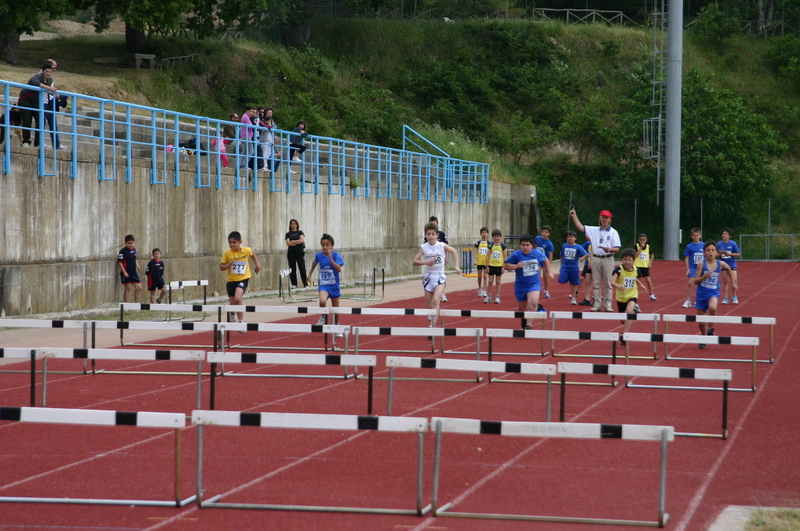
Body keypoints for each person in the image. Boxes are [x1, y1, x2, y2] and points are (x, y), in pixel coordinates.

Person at [570, 208, 621, 312]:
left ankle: (608, 305)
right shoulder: (593, 230)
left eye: (606, 218)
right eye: (602, 217)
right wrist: (574, 215)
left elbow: (617, 248)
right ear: (599, 218)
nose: (604, 220)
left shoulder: (613, 232)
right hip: (596, 258)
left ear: (610, 219)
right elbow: (580, 227)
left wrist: (609, 249)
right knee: (596, 283)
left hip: (608, 258)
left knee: (608, 283)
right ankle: (597, 304)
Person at [413, 222, 461, 328]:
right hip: (428, 277)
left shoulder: (441, 245)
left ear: (437, 235)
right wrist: (426, 262)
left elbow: (454, 251)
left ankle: (433, 326)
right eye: (428, 234)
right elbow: (415, 262)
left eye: (432, 234)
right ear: (425, 235)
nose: (430, 236)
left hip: (439, 276)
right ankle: (431, 315)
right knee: (428, 303)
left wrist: (457, 266)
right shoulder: (424, 247)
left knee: (436, 300)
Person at [694, 240, 736, 349]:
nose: (710, 253)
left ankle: (710, 329)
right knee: (701, 322)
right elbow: (695, 281)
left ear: (717, 252)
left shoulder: (720, 263)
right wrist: (704, 277)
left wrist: (734, 283)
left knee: (713, 307)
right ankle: (703, 338)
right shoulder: (701, 264)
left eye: (712, 250)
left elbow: (728, 268)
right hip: (701, 293)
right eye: (708, 250)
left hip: (713, 291)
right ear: (704, 253)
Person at [505, 234, 552, 330]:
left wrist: (549, 272)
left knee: (533, 302)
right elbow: (506, 266)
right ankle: (524, 320)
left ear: (532, 245)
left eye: (527, 245)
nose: (525, 247)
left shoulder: (537, 253)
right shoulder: (516, 254)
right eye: (523, 245)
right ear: (520, 245)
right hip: (520, 285)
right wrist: (516, 266)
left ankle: (529, 326)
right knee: (522, 310)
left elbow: (546, 260)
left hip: (533, 284)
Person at [219, 231, 261, 331]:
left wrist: (257, 265)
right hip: (231, 280)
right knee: (232, 302)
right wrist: (228, 265)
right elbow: (221, 267)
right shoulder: (227, 253)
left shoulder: (246, 250)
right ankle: (232, 313)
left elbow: (252, 253)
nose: (232, 244)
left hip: (243, 278)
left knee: (238, 298)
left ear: (240, 242)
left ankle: (241, 322)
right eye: (230, 242)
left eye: (234, 242)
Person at [309, 233, 345, 336]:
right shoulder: (319, 255)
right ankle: (323, 317)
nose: (325, 247)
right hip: (323, 285)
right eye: (323, 245)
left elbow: (338, 269)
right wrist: (310, 273)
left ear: (332, 245)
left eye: (327, 245)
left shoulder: (335, 255)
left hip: (334, 286)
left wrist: (330, 259)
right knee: (322, 301)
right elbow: (314, 263)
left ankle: (336, 326)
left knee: (335, 309)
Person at [17, 62, 59, 149]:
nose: (48, 74)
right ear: (42, 71)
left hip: (37, 102)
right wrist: (50, 88)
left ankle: (38, 143)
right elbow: (36, 83)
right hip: (26, 100)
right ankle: (26, 141)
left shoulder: (50, 80)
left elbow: (47, 91)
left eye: (50, 72)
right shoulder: (37, 77)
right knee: (27, 120)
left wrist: (55, 93)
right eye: (47, 71)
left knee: (40, 121)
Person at [611, 248, 645, 346]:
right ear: (622, 260)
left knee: (628, 312)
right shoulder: (618, 270)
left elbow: (634, 278)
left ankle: (625, 336)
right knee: (623, 320)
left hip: (632, 295)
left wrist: (641, 285)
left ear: (633, 261)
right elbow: (612, 281)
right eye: (625, 260)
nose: (627, 262)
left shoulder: (636, 270)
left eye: (629, 260)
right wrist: (619, 286)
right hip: (621, 297)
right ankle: (636, 310)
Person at [558, 230, 588, 305]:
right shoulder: (564, 246)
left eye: (572, 237)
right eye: (568, 237)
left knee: (574, 283)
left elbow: (586, 254)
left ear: (575, 238)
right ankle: (567, 277)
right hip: (565, 267)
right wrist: (561, 266)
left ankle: (573, 298)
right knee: (561, 280)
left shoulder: (578, 247)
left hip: (574, 267)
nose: (570, 239)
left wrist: (582, 258)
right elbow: (562, 255)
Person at [426, 216, 450, 302]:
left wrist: (446, 256)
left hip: (440, 259)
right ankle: (432, 292)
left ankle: (442, 293)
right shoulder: (428, 236)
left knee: (441, 276)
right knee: (432, 277)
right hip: (431, 261)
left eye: (435, 224)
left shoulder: (442, 234)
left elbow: (447, 246)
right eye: (431, 224)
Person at [682, 228, 704, 308]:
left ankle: (698, 300)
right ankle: (688, 300)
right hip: (693, 268)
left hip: (702, 268)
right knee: (690, 283)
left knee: (701, 285)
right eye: (694, 236)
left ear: (700, 236)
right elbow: (687, 258)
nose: (695, 237)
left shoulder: (704, 245)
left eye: (697, 235)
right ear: (691, 236)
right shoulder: (689, 246)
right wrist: (688, 268)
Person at [717, 227, 740, 304]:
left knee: (734, 280)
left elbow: (738, 254)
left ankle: (734, 295)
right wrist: (720, 253)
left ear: (729, 236)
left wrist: (730, 254)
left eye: (726, 234)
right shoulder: (719, 244)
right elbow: (716, 254)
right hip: (723, 264)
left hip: (731, 264)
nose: (724, 235)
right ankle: (725, 297)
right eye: (723, 233)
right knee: (725, 281)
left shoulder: (733, 243)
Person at [485, 229, 509, 304]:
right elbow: (488, 256)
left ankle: (497, 297)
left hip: (499, 266)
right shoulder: (490, 245)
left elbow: (505, 257)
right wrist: (487, 266)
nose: (496, 238)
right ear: (492, 237)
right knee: (490, 281)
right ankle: (488, 296)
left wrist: (503, 267)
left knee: (498, 281)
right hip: (491, 265)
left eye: (498, 236)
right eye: (495, 237)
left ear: (500, 237)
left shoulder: (503, 246)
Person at [118, 234, 142, 303]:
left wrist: (137, 265)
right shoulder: (123, 251)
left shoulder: (134, 250)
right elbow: (120, 262)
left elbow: (134, 259)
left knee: (139, 287)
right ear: (125, 243)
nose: (130, 245)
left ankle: (136, 303)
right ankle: (127, 305)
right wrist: (124, 272)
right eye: (129, 243)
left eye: (131, 243)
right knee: (128, 288)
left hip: (133, 271)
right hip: (126, 271)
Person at [285, 219, 308, 288]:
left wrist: (293, 241)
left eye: (295, 224)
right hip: (291, 253)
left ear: (297, 225)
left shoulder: (300, 232)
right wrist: (297, 242)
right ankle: (294, 284)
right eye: (292, 224)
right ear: (290, 225)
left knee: (302, 268)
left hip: (300, 253)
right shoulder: (288, 234)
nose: (293, 225)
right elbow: (288, 243)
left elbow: (301, 240)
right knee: (292, 269)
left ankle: (305, 284)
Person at [634, 233, 657, 301]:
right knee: (636, 281)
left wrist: (650, 262)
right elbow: (636, 255)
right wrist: (641, 248)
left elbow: (652, 255)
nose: (642, 241)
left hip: (645, 266)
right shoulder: (636, 246)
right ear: (639, 240)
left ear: (646, 240)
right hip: (637, 266)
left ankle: (651, 294)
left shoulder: (648, 247)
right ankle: (634, 294)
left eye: (643, 240)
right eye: (641, 240)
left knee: (648, 280)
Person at [535, 225, 555, 299]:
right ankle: (537, 289)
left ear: (549, 234)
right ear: (541, 232)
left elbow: (550, 254)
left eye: (546, 232)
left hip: (544, 261)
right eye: (543, 232)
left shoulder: (549, 244)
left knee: (546, 276)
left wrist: (549, 264)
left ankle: (546, 291)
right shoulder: (537, 238)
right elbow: (534, 246)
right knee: (537, 275)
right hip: (537, 260)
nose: (544, 233)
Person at [473, 227, 490, 298]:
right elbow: (475, 252)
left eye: (485, 232)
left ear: (487, 234)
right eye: (483, 232)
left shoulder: (489, 244)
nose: (484, 234)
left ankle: (485, 290)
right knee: (479, 277)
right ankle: (480, 289)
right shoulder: (478, 243)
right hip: (479, 262)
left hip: (486, 262)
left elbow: (490, 253)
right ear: (480, 234)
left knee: (485, 277)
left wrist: (489, 263)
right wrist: (475, 261)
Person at [578, 236, 594, 306]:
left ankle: (596, 299)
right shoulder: (589, 244)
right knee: (587, 282)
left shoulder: (597, 244)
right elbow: (590, 254)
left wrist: (592, 262)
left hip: (596, 265)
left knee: (597, 283)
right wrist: (584, 257)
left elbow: (598, 254)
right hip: (588, 265)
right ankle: (587, 299)